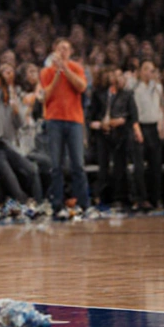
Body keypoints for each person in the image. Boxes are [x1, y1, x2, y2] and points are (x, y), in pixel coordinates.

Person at [0, 63, 42, 202]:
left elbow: (20, 124)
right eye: (5, 71)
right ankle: (22, 203)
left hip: (4, 143)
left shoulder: (12, 96)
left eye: (10, 71)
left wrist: (16, 110)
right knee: (10, 176)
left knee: (31, 170)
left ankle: (38, 204)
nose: (9, 74)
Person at [40, 38, 90, 212]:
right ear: (54, 50)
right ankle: (57, 204)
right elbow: (45, 95)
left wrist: (66, 70)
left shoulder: (76, 68)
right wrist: (57, 74)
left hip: (74, 120)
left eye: (66, 49)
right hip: (54, 120)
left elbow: (81, 87)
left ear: (70, 52)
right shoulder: (46, 71)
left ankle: (83, 203)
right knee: (56, 165)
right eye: (60, 48)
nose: (63, 51)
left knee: (78, 165)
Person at [89, 67, 142, 209]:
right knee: (103, 167)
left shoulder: (127, 94)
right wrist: (100, 124)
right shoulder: (98, 94)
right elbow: (91, 116)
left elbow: (132, 116)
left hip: (120, 135)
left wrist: (120, 121)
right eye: (113, 75)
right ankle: (100, 197)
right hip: (102, 134)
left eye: (119, 75)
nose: (115, 78)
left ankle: (119, 198)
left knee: (120, 167)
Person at [133, 61, 164, 209]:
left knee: (156, 164)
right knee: (139, 166)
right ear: (140, 71)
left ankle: (156, 197)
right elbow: (134, 111)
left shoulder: (158, 88)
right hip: (141, 126)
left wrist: (163, 122)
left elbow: (161, 106)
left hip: (154, 126)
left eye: (151, 70)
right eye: (146, 69)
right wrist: (136, 128)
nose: (148, 72)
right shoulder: (136, 88)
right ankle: (142, 198)